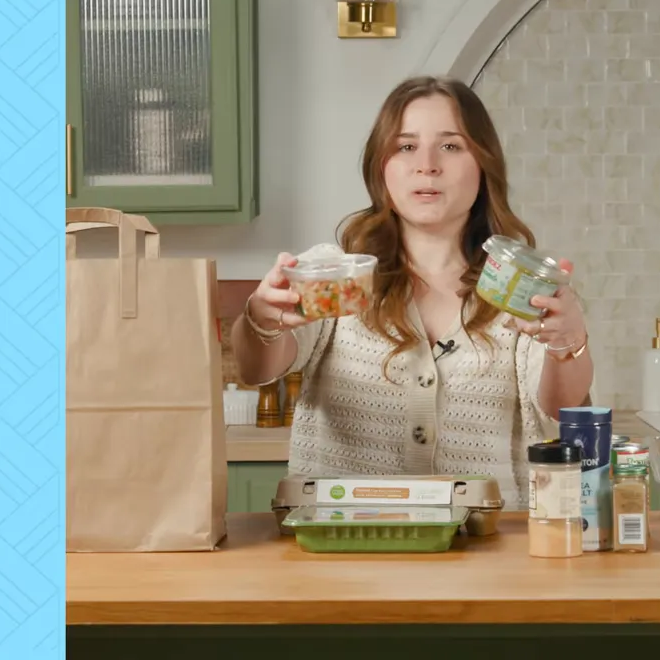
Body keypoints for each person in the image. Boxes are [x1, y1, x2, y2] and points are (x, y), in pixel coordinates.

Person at [231, 75, 594, 507]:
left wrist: (567, 343)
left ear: (484, 165)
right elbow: (258, 369)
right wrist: (262, 318)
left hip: (484, 550)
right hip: (344, 549)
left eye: (451, 146)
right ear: (381, 169)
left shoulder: (517, 285)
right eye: (406, 147)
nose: (427, 165)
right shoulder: (337, 276)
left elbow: (563, 410)